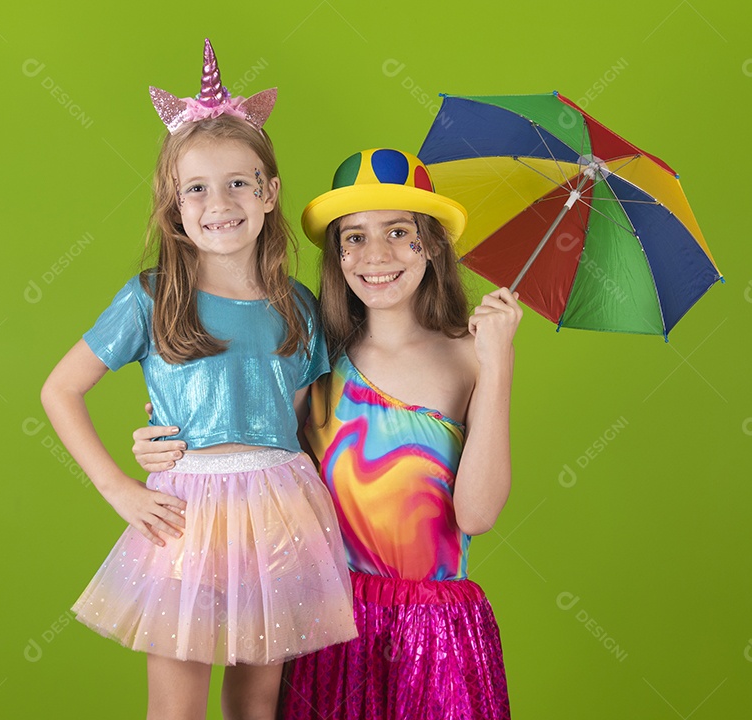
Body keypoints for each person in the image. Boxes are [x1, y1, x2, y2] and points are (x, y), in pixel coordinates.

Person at [134, 148, 520, 719]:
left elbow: (478, 515)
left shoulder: (472, 357)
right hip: (324, 616)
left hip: (434, 632)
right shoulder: (313, 355)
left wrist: (500, 363)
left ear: (433, 245)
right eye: (354, 237)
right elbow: (249, 458)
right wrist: (168, 443)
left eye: (398, 232)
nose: (376, 255)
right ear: (337, 254)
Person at [40, 40, 355, 720]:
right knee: (176, 707)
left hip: (280, 510)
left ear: (269, 194)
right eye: (198, 188)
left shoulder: (299, 306)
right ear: (174, 206)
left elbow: (300, 419)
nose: (221, 202)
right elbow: (60, 389)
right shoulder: (152, 298)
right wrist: (120, 486)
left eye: (240, 182)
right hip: (186, 514)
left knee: (256, 700)